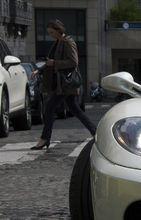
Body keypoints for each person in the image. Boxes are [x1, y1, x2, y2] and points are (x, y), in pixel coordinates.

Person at [29, 19, 97, 150]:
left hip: (66, 83)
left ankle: (45, 138)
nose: (50, 35)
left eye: (52, 32)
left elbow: (73, 62)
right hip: (62, 83)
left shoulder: (68, 42)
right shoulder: (58, 43)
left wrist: (55, 63)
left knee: (49, 107)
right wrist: (39, 70)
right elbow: (50, 62)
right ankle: (95, 132)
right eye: (49, 32)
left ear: (59, 30)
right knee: (74, 109)